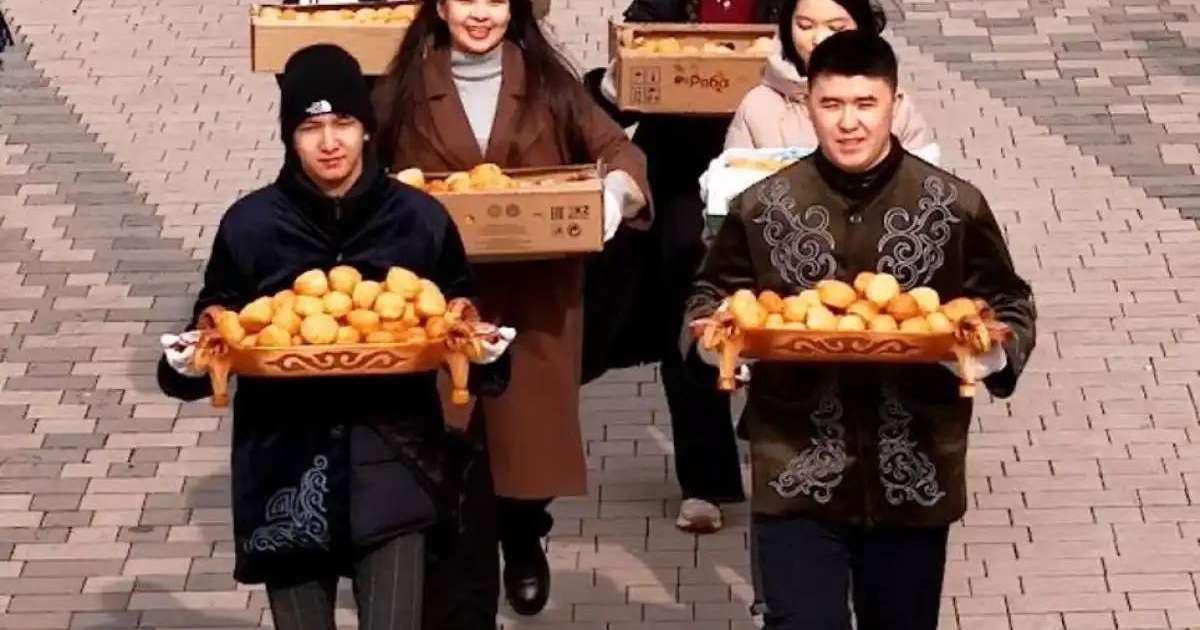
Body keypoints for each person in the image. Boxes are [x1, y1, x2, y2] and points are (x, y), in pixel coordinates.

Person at [685, 31, 1036, 630]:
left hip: (915, 474)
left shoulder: (952, 204)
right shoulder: (765, 206)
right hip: (795, 468)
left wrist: (986, 355)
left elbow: (1009, 300)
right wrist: (715, 344)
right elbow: (708, 296)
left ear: (894, 104)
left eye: (865, 104)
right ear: (809, 105)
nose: (848, 123)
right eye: (832, 105)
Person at [157, 45, 510, 630]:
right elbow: (209, 331)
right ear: (289, 137)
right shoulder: (250, 226)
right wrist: (191, 360)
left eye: (343, 123)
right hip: (285, 474)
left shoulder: (419, 219)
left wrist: (486, 349)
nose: (329, 143)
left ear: (367, 130)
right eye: (310, 127)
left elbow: (464, 324)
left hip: (395, 463)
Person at [373, 0, 651, 622]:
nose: (480, 14)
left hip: (535, 297)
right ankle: (461, 568)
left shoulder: (548, 84)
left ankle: (525, 534)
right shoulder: (407, 89)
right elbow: (368, 172)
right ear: (441, 8)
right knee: (456, 440)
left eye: (495, 0)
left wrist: (613, 195)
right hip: (444, 300)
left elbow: (620, 153)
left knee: (529, 444)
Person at [581, 0, 791, 538]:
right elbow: (619, 97)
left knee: (789, 315)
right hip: (683, 184)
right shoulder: (665, 5)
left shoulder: (790, 8)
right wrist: (613, 84)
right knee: (689, 316)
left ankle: (790, 452)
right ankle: (707, 480)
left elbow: (853, 45)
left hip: (781, 175)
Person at [725, 0, 933, 155]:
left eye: (836, 28)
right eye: (805, 26)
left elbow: (923, 189)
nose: (819, 39)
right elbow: (733, 193)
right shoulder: (757, 106)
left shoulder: (896, 107)